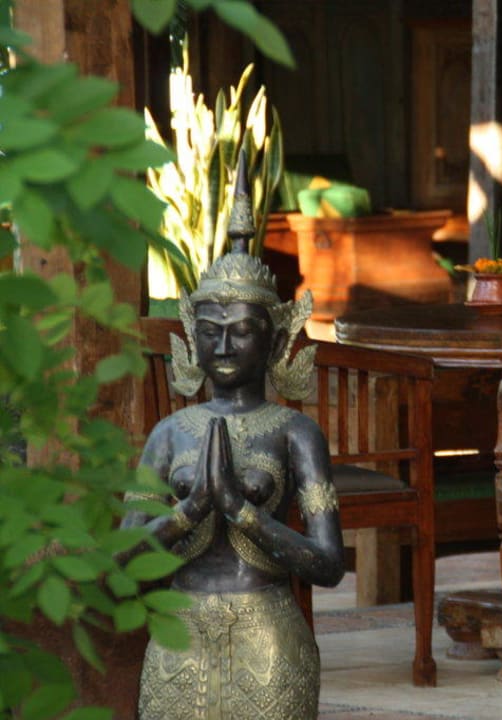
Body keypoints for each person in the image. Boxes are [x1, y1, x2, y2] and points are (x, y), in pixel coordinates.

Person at [121, 169, 344, 720]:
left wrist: (242, 512)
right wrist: (191, 509)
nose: (222, 345)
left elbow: (328, 564)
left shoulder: (294, 432)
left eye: (242, 330)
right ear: (190, 337)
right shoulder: (170, 432)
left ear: (276, 339)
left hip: (267, 631)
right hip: (179, 634)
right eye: (209, 330)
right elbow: (120, 560)